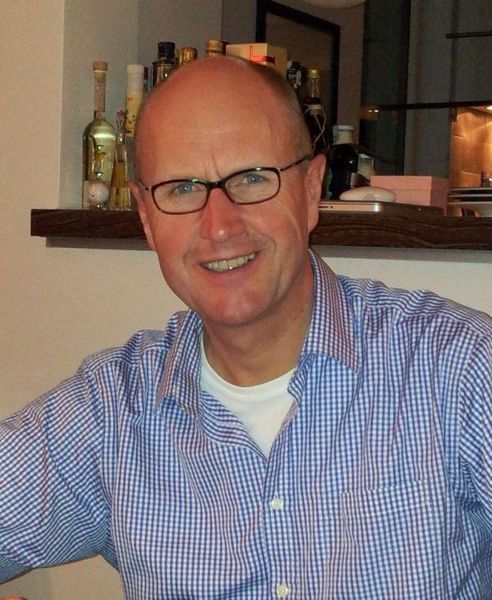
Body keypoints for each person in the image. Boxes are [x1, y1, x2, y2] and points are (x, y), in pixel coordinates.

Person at [1, 56, 491, 599]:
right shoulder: (113, 410)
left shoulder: (460, 369)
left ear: (311, 189)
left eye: (252, 178)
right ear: (146, 217)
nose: (219, 225)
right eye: (182, 188)